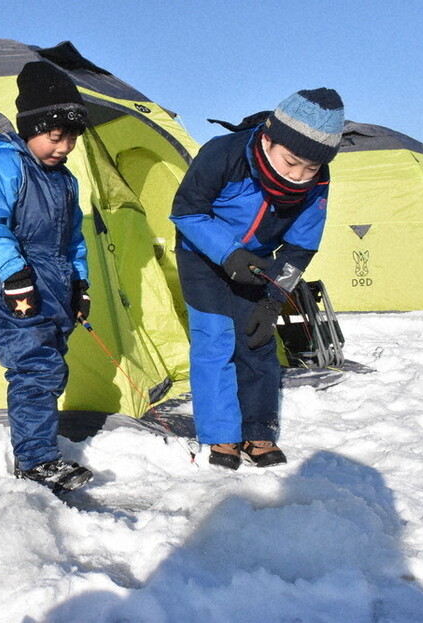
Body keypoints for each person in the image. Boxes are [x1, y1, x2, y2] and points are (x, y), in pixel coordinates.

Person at [170, 88, 344, 470]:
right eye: (292, 161)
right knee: (215, 339)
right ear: (268, 138)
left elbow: (301, 246)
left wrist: (274, 297)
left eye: (310, 168)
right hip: (202, 255)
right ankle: (221, 435)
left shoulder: (317, 180)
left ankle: (258, 429)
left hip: (259, 263)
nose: (298, 176)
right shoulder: (223, 154)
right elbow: (186, 212)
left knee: (258, 339)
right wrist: (229, 253)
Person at [0, 61, 94, 493]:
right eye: (55, 137)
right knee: (35, 367)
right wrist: (13, 272)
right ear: (31, 128)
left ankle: (39, 446)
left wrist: (80, 282)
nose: (64, 147)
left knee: (51, 366)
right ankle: (36, 459)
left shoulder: (65, 180)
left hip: (55, 284)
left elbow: (72, 238)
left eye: (72, 138)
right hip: (15, 285)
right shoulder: (2, 165)